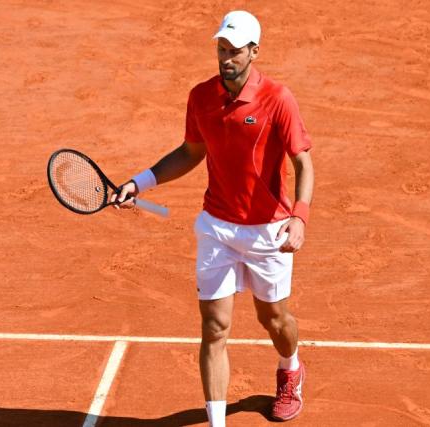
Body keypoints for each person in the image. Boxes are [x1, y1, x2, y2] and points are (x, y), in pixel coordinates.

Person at [110, 10, 315, 425]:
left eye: (235, 51)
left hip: (268, 230)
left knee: (274, 319)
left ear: (254, 52)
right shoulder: (201, 97)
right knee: (214, 328)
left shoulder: (278, 99)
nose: (226, 58)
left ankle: (290, 366)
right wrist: (139, 183)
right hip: (218, 227)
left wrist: (300, 217)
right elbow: (189, 153)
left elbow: (303, 163)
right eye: (221, 49)